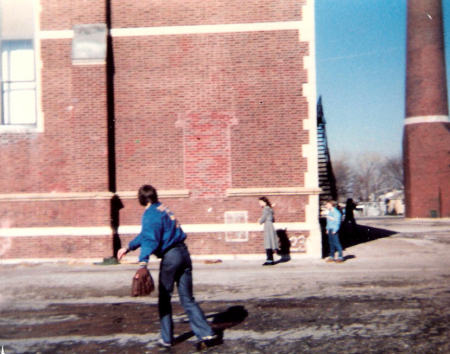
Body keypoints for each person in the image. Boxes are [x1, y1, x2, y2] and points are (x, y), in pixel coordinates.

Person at [117, 185, 218, 349]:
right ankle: (207, 333)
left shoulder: (149, 214)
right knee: (187, 298)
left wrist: (143, 262)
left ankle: (167, 338)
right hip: (184, 254)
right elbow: (147, 234)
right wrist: (129, 247)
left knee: (164, 298)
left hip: (171, 257)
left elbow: (150, 238)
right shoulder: (163, 209)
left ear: (141, 199)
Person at [258, 196, 278, 266]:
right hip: (270, 225)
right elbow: (273, 219)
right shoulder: (270, 209)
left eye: (260, 202)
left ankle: (269, 260)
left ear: (264, 202)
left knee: (268, 242)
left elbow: (263, 218)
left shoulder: (265, 209)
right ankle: (271, 259)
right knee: (270, 242)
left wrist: (259, 221)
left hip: (267, 226)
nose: (260, 204)